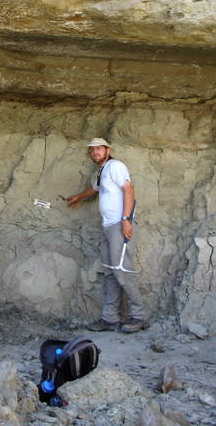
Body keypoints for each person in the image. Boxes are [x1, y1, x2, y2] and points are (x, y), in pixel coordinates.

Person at [66, 138, 148, 333]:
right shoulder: (102, 172)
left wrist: (126, 219)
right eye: (92, 150)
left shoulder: (115, 166)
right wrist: (78, 196)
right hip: (107, 227)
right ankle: (110, 318)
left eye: (99, 149)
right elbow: (94, 189)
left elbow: (128, 189)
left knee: (122, 271)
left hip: (119, 226)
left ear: (107, 150)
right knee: (111, 272)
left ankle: (139, 316)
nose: (95, 152)